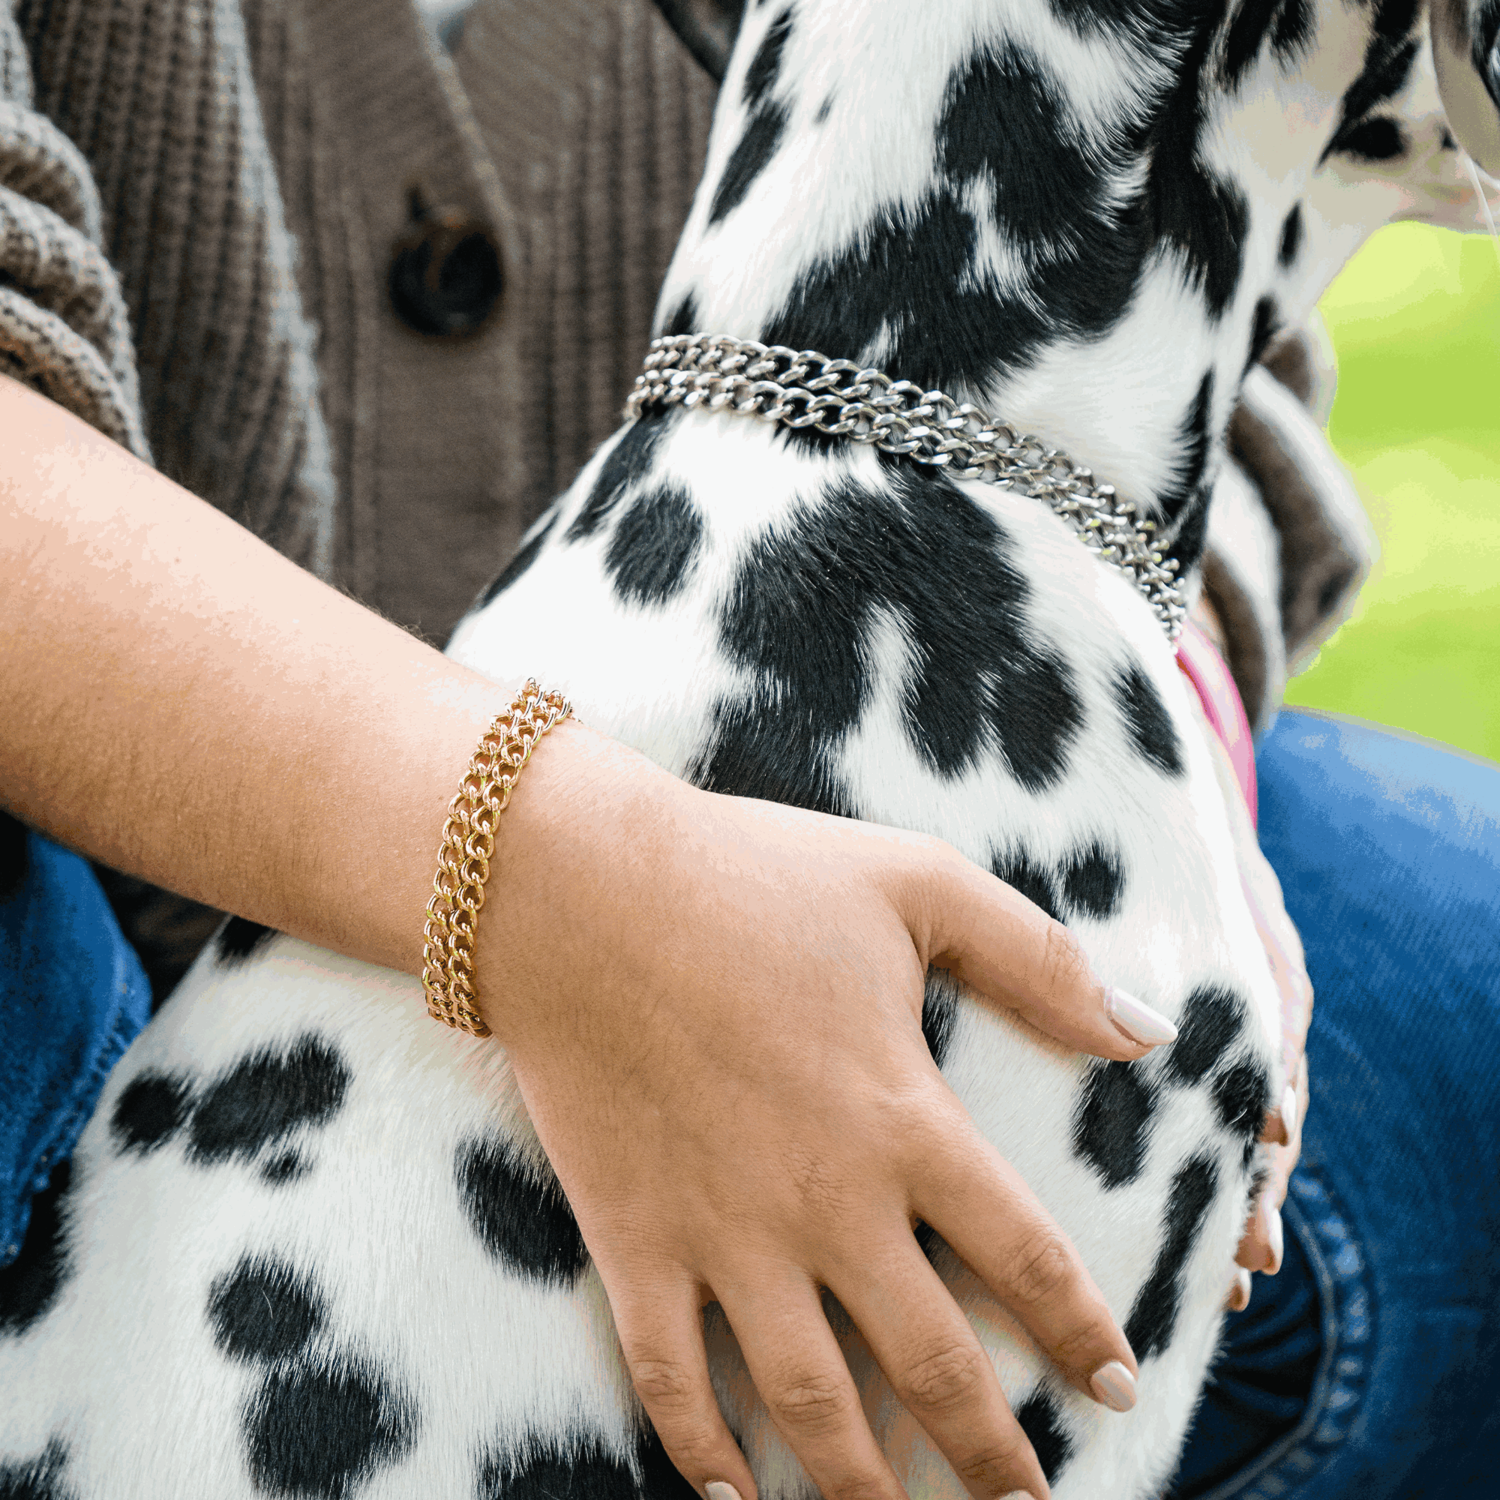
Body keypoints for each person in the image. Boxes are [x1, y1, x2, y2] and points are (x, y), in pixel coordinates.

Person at [0, 0, 1493, 1496]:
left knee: (1459, 977)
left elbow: (1201, 302)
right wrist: (557, 879)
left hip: (892, 757)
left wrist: (1166, 707)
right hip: (69, 914)